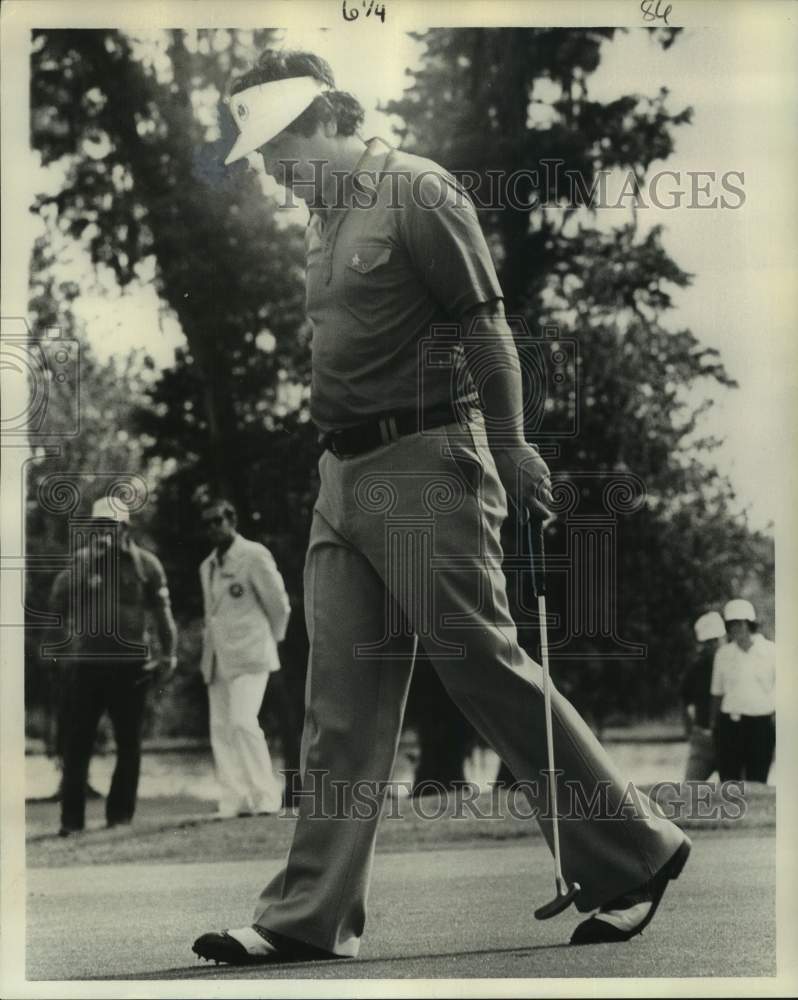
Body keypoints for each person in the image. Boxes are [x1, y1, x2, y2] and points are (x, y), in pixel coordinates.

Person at [193, 49, 690, 965]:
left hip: (429, 456)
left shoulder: (419, 192)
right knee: (336, 702)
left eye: (277, 149)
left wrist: (510, 443)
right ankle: (309, 916)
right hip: (340, 477)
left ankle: (633, 854)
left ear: (328, 121)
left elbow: (486, 323)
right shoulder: (323, 216)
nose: (267, 170)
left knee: (483, 667)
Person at [46, 497, 178, 836]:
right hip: (86, 666)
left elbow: (164, 616)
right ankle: (71, 821)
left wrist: (169, 655)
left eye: (110, 525)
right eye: (98, 526)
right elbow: (56, 608)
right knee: (77, 744)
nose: (103, 532)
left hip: (132, 667)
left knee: (129, 744)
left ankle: (119, 818)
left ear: (124, 528)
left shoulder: (146, 565)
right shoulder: (80, 563)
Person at [199, 499, 291, 818]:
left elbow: (279, 605)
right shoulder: (207, 566)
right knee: (221, 729)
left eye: (217, 521)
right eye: (207, 524)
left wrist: (269, 640)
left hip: (251, 653)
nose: (212, 528)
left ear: (231, 520)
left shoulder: (253, 555)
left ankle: (266, 796)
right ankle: (234, 800)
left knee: (243, 722)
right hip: (218, 657)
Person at [710, 598, 776, 783]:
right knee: (729, 781)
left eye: (739, 623)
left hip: (761, 725)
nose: (735, 629)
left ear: (749, 623)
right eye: (730, 624)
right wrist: (713, 727)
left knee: (757, 779)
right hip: (731, 725)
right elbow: (716, 694)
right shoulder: (723, 654)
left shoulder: (772, 651)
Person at [681, 611, 726, 781]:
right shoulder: (695, 669)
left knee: (735, 792)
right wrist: (689, 732)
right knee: (689, 790)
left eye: (716, 640)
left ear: (724, 638)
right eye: (708, 642)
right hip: (702, 739)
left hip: (729, 739)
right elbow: (684, 700)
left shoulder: (733, 665)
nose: (713, 645)